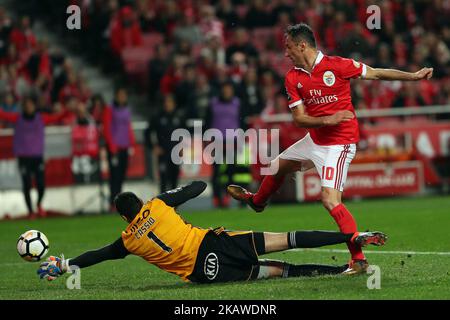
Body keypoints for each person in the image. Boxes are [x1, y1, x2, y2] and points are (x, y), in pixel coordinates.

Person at [227, 23, 433, 275]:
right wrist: (327, 120)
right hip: (315, 138)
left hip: (339, 144)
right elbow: (299, 119)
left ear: (302, 45)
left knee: (329, 199)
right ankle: (257, 202)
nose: (286, 53)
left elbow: (377, 73)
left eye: (288, 47)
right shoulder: (293, 77)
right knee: (277, 166)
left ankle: (358, 260)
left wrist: (413, 76)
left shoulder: (338, 65)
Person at [37, 181, 387, 284]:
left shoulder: (127, 241)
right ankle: (350, 239)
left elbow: (96, 256)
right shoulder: (158, 205)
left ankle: (342, 271)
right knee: (287, 238)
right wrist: (171, 194)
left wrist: (63, 264)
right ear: (140, 203)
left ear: (122, 218)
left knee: (279, 272)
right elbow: (199, 186)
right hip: (213, 241)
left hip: (206, 273)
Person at [0, 94, 67, 218]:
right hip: (23, 157)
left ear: (34, 106)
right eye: (26, 105)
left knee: (41, 184)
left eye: (30, 104)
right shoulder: (18, 118)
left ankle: (38, 204)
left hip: (37, 156)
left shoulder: (41, 118)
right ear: (24, 106)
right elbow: (3, 115)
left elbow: (57, 117)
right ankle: (31, 211)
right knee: (26, 185)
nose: (29, 107)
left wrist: (68, 109)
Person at [102, 87, 135, 210]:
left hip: (125, 147)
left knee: (121, 175)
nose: (122, 97)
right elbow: (107, 128)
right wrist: (112, 147)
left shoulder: (127, 109)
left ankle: (119, 203)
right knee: (114, 176)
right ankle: (112, 202)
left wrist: (131, 144)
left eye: (124, 95)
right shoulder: (110, 109)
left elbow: (128, 127)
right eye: (120, 95)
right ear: (116, 96)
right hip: (114, 149)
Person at [145, 94, 184, 193]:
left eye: (170, 102)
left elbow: (184, 133)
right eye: (166, 102)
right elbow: (147, 132)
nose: (168, 104)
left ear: (174, 104)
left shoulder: (179, 117)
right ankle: (163, 205)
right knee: (164, 180)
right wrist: (153, 147)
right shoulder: (158, 117)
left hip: (176, 154)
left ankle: (174, 206)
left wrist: (182, 147)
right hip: (163, 154)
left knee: (174, 180)